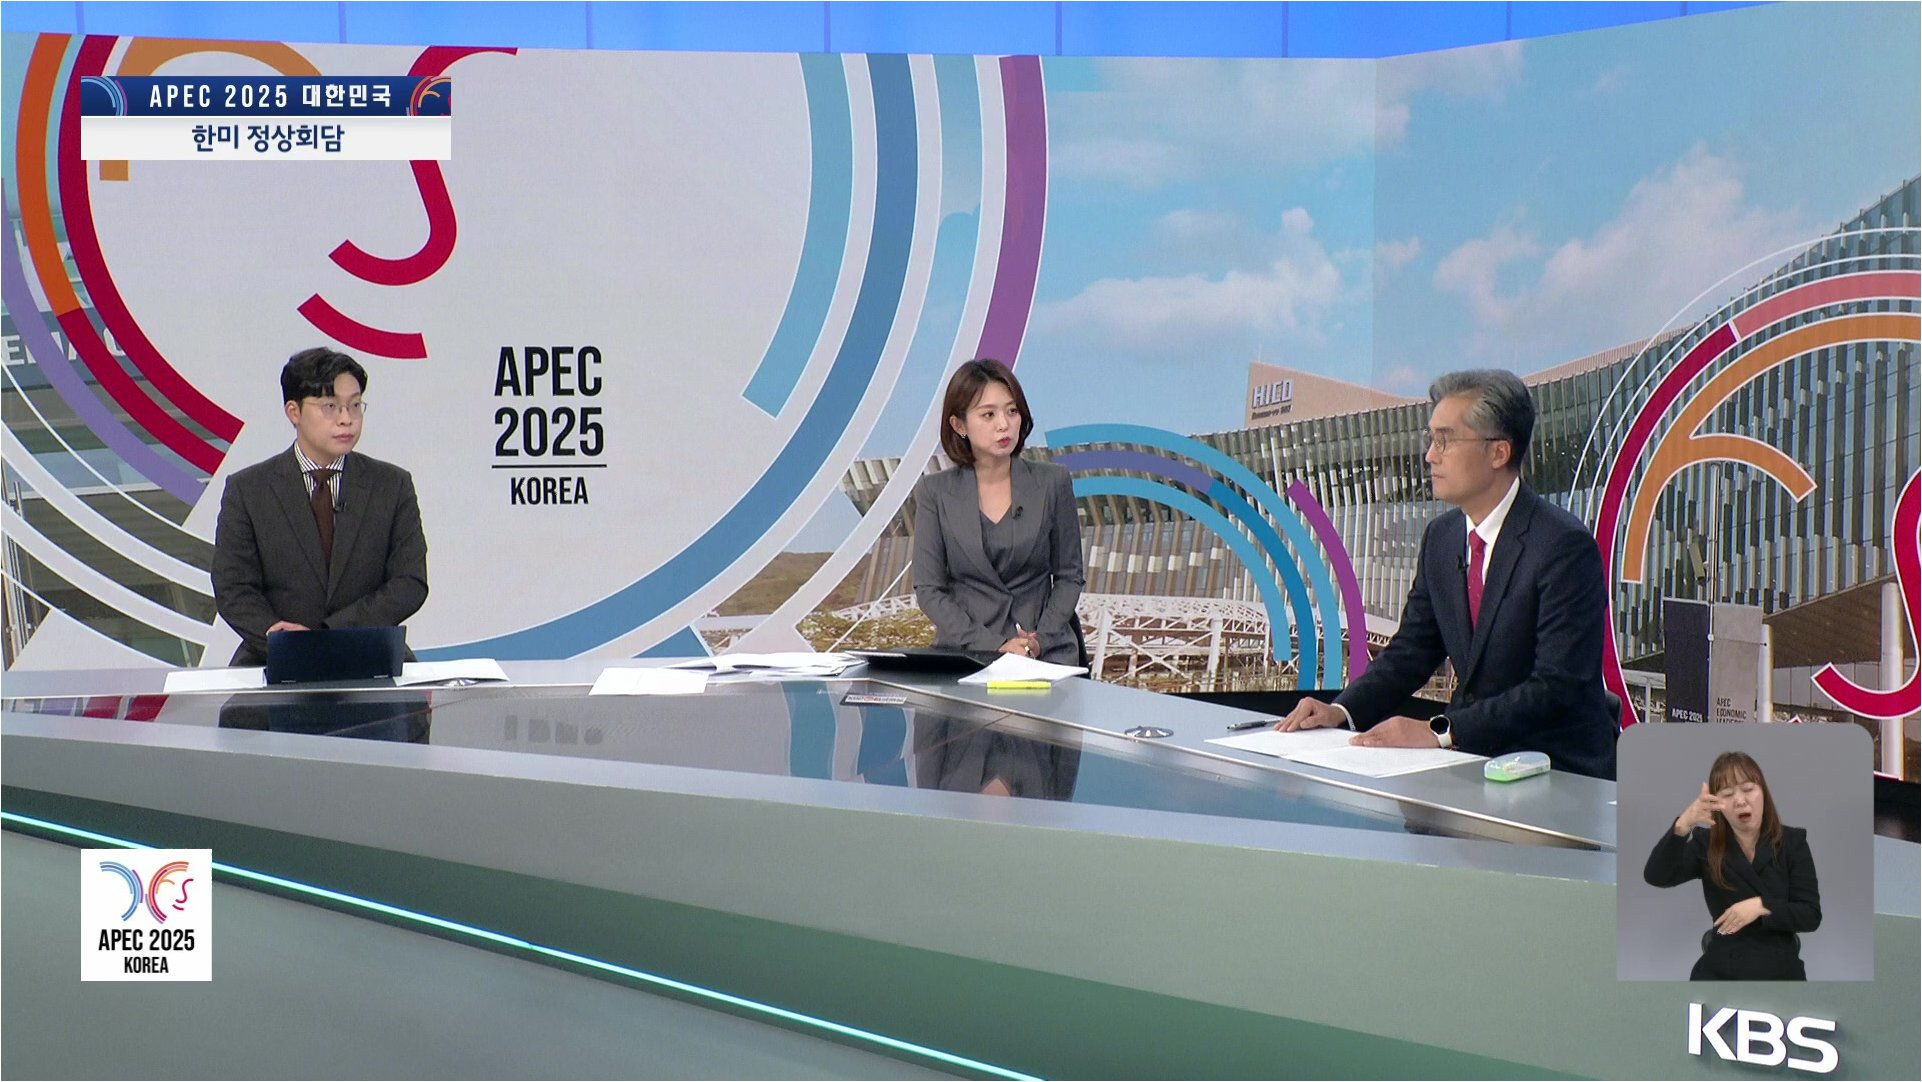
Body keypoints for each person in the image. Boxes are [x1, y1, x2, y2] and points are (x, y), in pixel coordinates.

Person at [1276, 369, 1618, 779]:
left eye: (1445, 440)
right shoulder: (1441, 538)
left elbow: (1557, 686)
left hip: (1555, 770)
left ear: (1498, 453)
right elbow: (1412, 651)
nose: (1430, 456)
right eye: (1430, 439)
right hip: (1469, 761)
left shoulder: (1563, 546)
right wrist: (1341, 710)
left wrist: (1440, 731)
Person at [212, 347, 429, 666]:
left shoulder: (392, 485)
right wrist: (275, 633)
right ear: (294, 412)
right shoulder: (248, 490)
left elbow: (409, 582)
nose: (346, 418)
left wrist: (332, 635)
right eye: (330, 406)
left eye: (354, 405)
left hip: (370, 655)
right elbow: (233, 586)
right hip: (273, 657)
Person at [911, 359, 1085, 665]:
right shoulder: (934, 492)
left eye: (1012, 411)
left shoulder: (1053, 482)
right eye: (988, 414)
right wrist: (995, 645)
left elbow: (1069, 577)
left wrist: (1038, 642)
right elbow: (930, 590)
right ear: (959, 425)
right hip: (967, 655)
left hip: (1045, 654)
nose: (1003, 424)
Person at [1643, 751, 1821, 980]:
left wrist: (1760, 906)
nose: (1739, 801)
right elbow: (1657, 876)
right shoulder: (1706, 844)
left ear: (1763, 792)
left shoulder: (1792, 842)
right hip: (1721, 969)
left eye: (1748, 789)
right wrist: (1683, 824)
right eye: (1727, 794)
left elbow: (1810, 915)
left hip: (1780, 970)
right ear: (1716, 803)